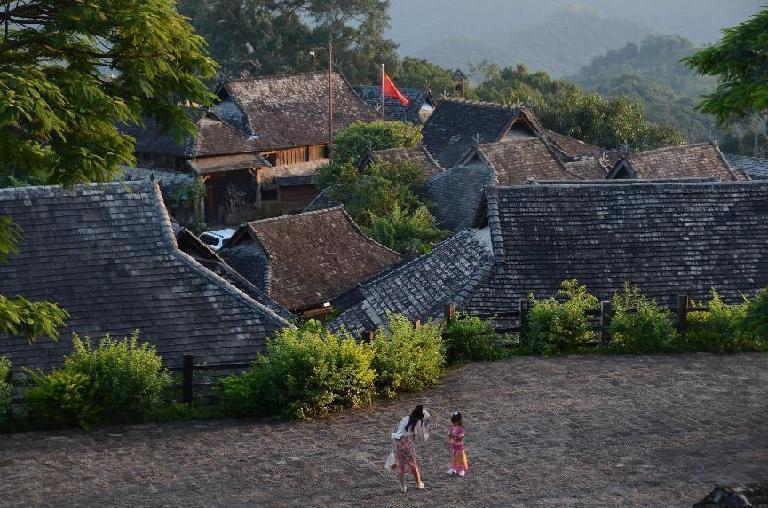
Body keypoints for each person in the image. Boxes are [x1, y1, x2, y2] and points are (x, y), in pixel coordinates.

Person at [385, 404, 431, 493]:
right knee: (413, 464)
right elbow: (422, 437)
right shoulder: (418, 422)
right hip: (406, 444)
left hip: (397, 442)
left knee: (400, 466)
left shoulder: (405, 418)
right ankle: (419, 483)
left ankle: (403, 487)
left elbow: (401, 430)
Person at [447, 411, 468, 477]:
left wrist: (453, 436)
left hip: (459, 446)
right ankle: (454, 469)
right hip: (453, 445)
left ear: (458, 421)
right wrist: (449, 436)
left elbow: (460, 438)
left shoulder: (461, 429)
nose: (454, 424)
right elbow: (450, 433)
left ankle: (462, 470)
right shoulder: (453, 427)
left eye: (455, 422)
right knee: (454, 457)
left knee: (460, 458)